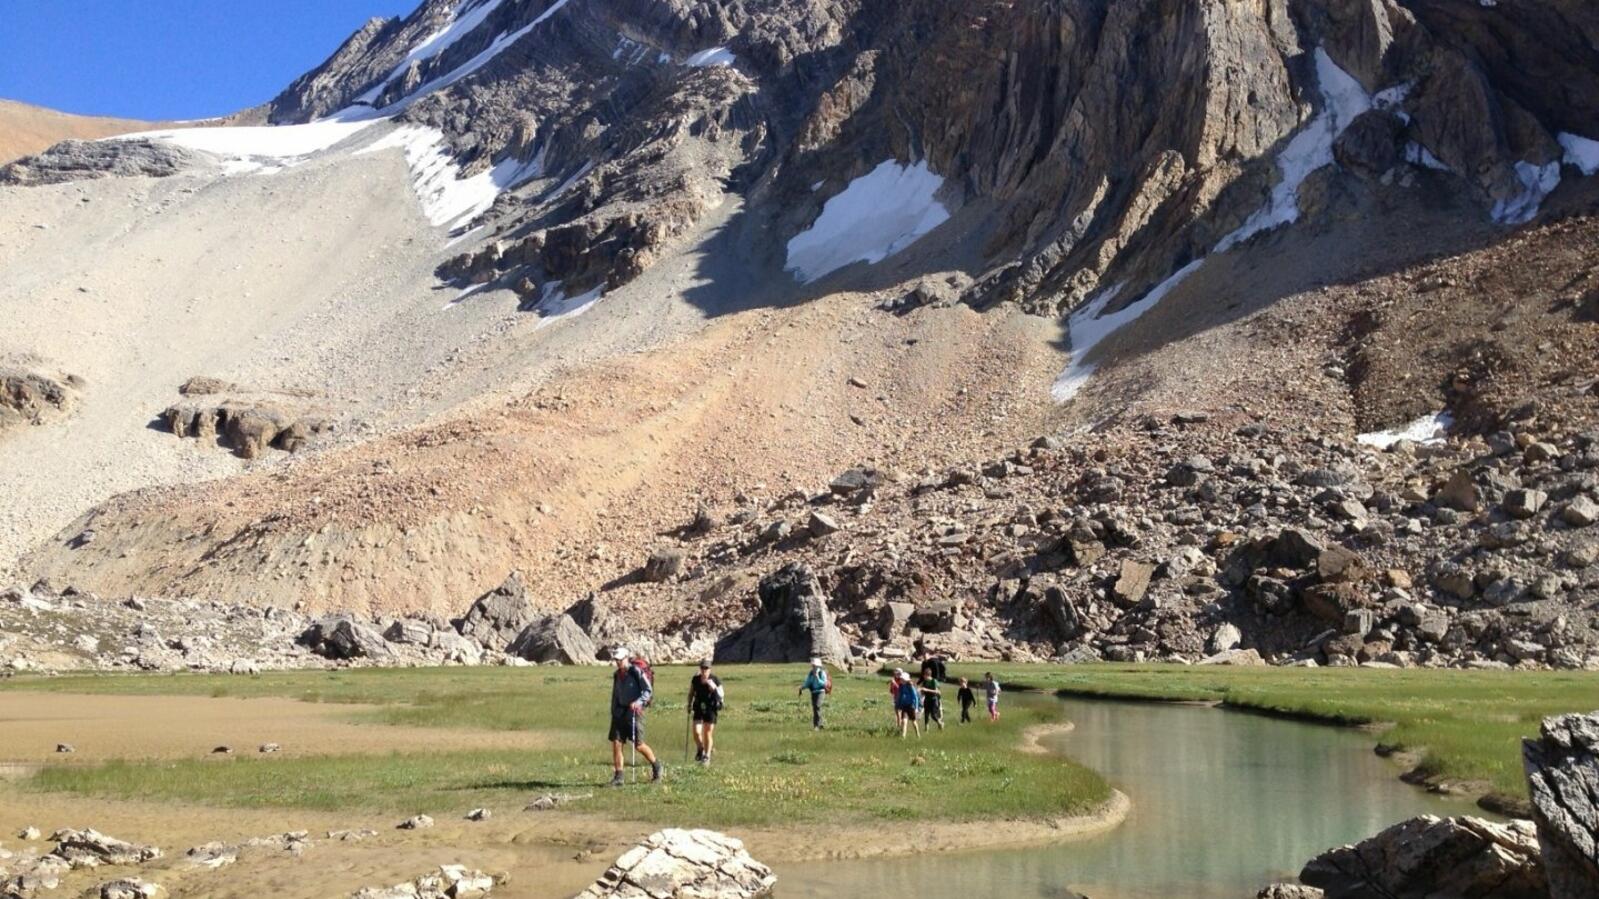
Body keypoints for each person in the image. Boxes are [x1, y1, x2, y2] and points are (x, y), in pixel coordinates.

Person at [607, 647, 660, 786]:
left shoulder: (636, 671)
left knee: (638, 745)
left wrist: (638, 702)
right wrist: (613, 710)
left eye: (620, 659)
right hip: (619, 712)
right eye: (616, 660)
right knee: (617, 743)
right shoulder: (617, 674)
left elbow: (648, 690)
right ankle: (619, 776)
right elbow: (615, 694)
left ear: (626, 658)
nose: (618, 662)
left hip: (635, 712)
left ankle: (656, 766)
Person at [688, 659, 724, 765]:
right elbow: (691, 693)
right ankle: (701, 749)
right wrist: (689, 704)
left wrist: (713, 689)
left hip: (711, 708)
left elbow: (721, 695)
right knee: (696, 732)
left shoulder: (715, 680)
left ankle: (707, 757)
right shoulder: (695, 679)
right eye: (702, 668)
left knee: (707, 732)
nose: (704, 670)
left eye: (706, 668)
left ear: (710, 669)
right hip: (698, 707)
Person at [798, 658, 830, 730]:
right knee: (815, 709)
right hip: (813, 692)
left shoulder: (822, 673)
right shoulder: (811, 674)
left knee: (817, 706)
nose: (813, 667)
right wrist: (802, 687)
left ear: (818, 666)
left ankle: (817, 725)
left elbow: (824, 684)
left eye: (815, 666)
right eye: (813, 666)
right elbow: (808, 683)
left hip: (821, 692)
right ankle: (819, 724)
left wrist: (818, 678)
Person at [895, 670, 923, 738]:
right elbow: (900, 696)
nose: (900, 680)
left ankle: (917, 734)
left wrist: (916, 708)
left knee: (913, 721)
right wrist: (898, 704)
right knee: (904, 721)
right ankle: (903, 736)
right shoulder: (901, 686)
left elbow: (915, 697)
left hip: (911, 706)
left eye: (902, 679)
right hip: (904, 706)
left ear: (905, 680)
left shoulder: (910, 686)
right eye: (900, 679)